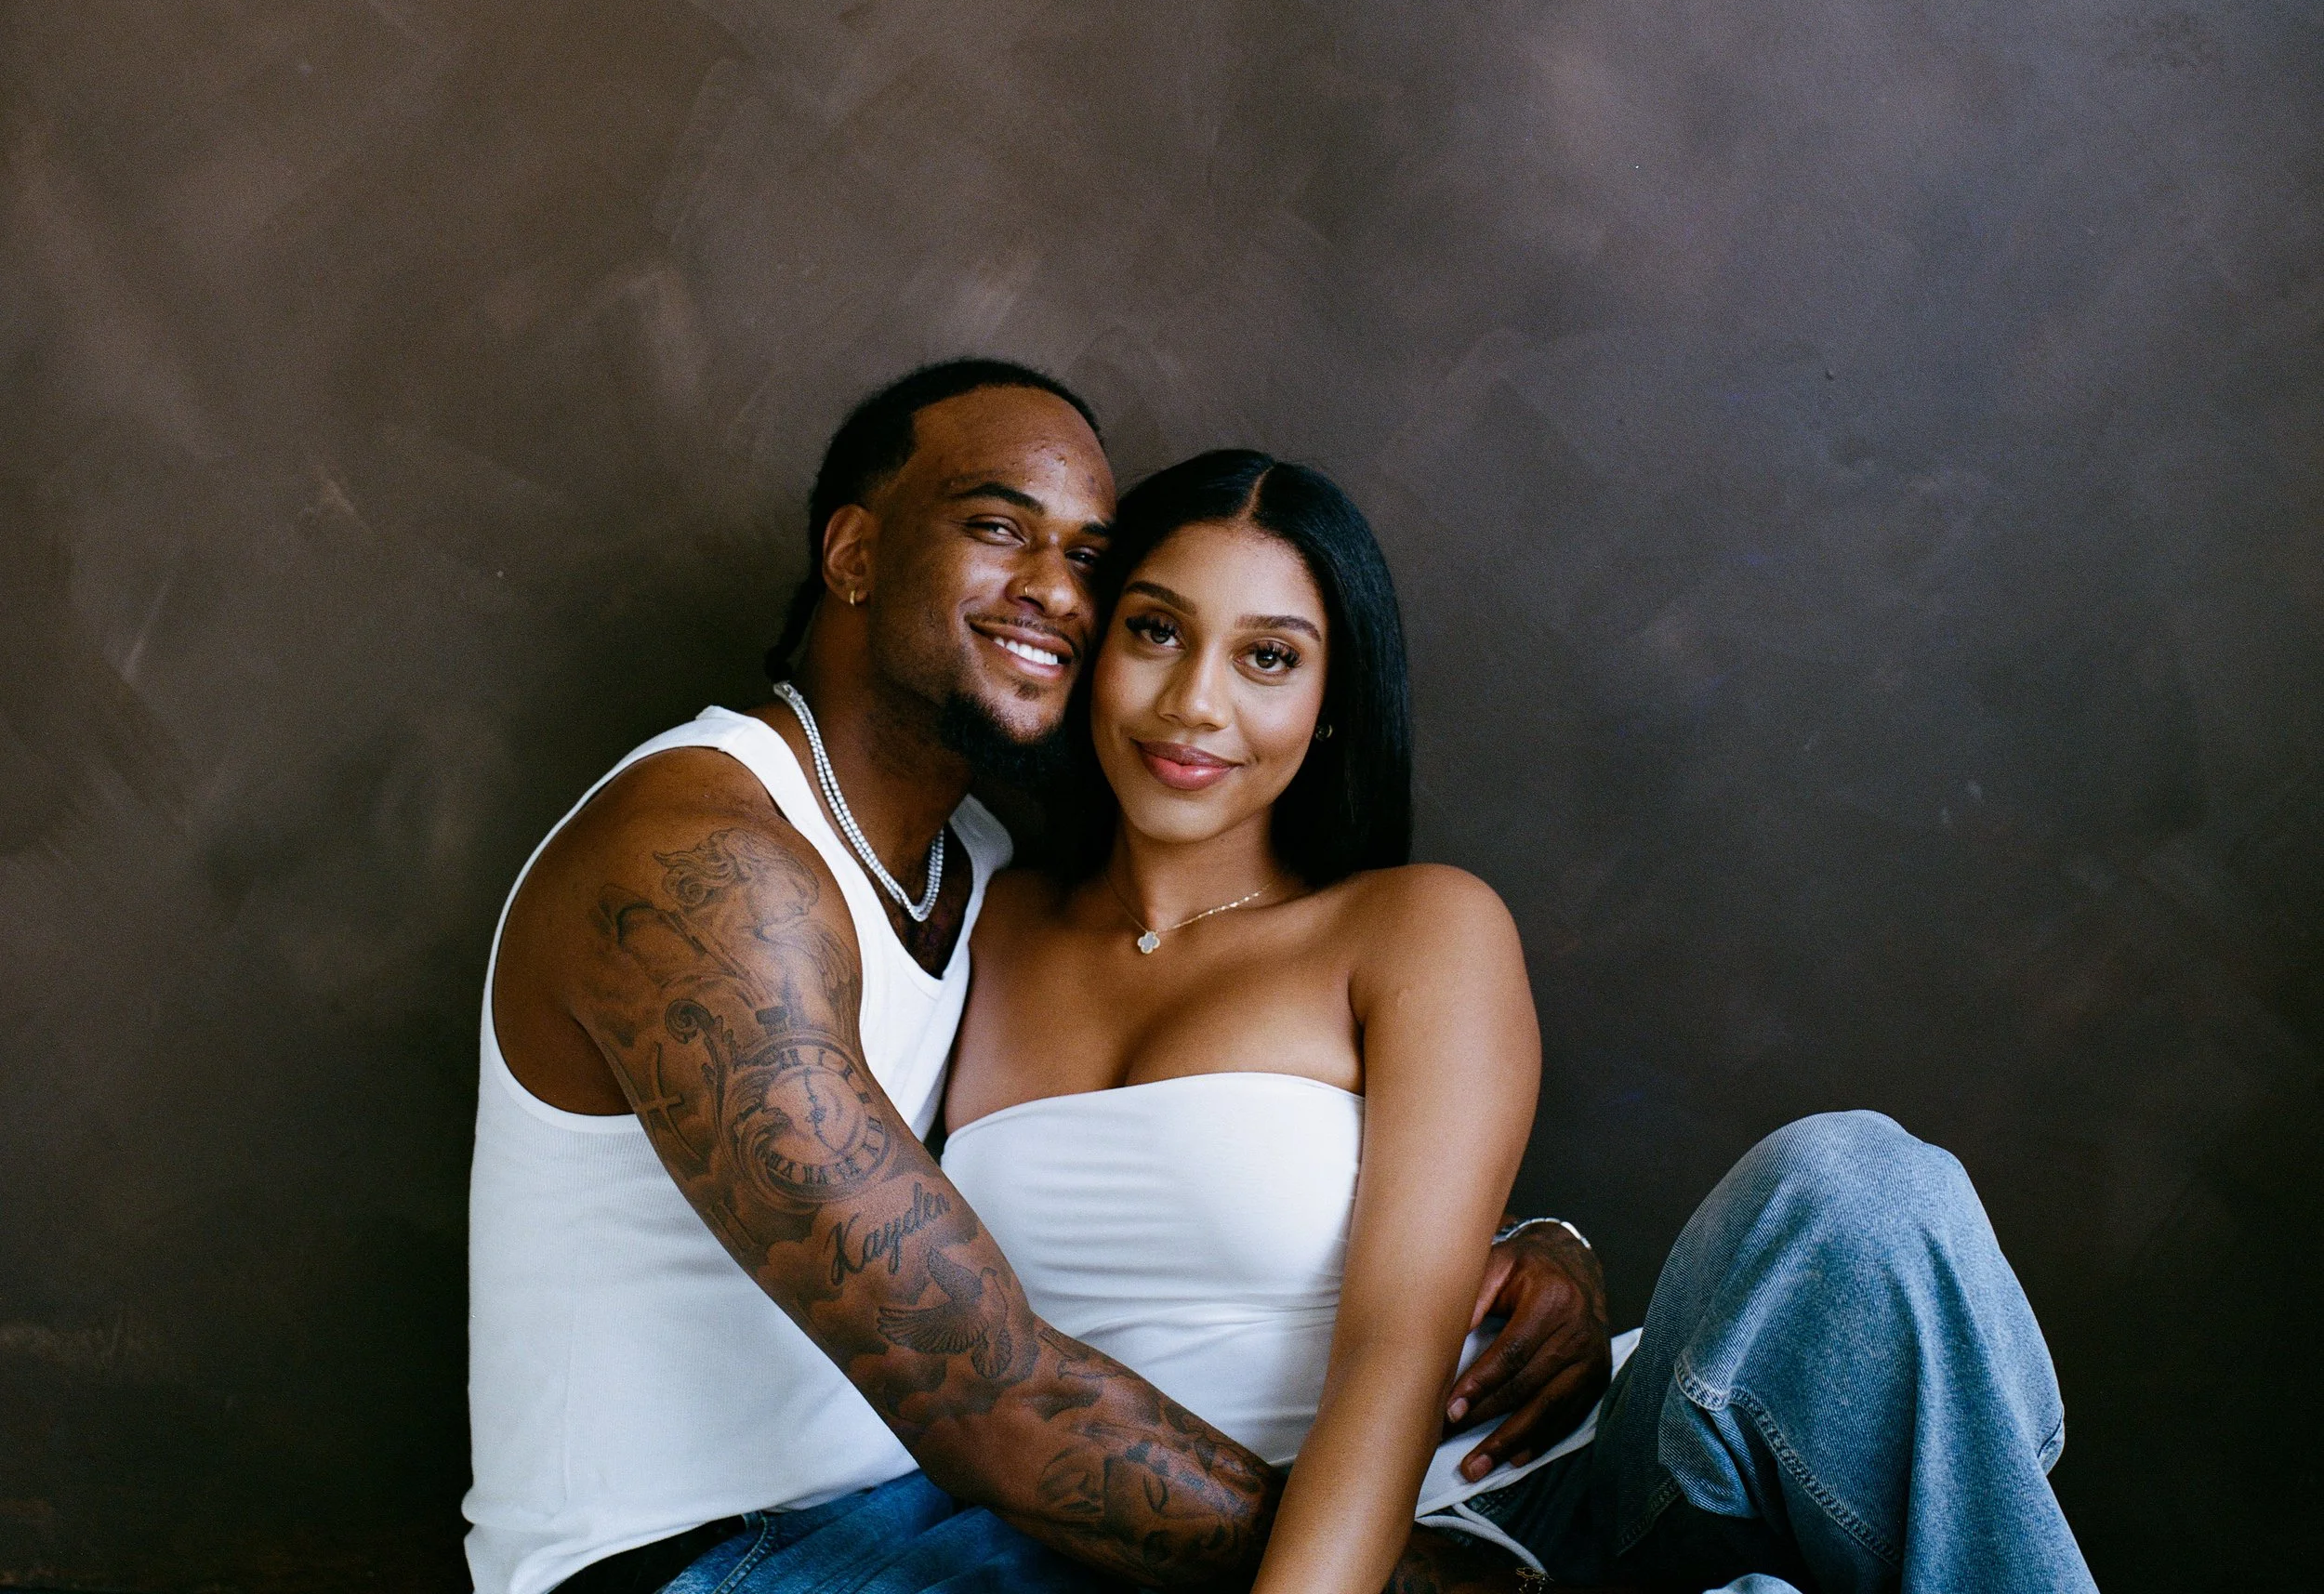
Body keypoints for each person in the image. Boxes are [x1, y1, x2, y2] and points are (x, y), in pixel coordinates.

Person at [465, 360, 1584, 1594]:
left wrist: (1522, 1246)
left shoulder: (971, 876)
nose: (1054, 590)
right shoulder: (701, 868)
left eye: (1090, 562)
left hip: (940, 1521)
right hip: (711, 1558)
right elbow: (985, 1389)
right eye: (998, 527)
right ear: (853, 556)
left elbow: (1208, 1178)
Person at [940, 447, 2103, 1594]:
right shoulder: (970, 913)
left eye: (1267, 657)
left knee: (1856, 1182)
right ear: (1089, 643)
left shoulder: (1413, 928)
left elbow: (1396, 1349)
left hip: (1549, 1494)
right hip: (1169, 1543)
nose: (1196, 702)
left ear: (1331, 705)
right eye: (1155, 630)